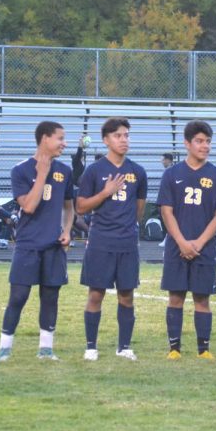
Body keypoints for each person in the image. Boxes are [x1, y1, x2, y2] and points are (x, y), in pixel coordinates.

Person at [0, 121, 74, 362]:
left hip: (53, 246)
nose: (64, 143)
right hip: (28, 245)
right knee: (18, 297)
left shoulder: (65, 171)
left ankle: (46, 349)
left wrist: (68, 230)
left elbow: (69, 207)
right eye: (60, 138)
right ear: (44, 139)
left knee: (50, 298)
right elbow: (29, 206)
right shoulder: (20, 170)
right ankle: (5, 348)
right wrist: (42, 173)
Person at [157, 120, 216, 360]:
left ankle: (204, 350)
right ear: (187, 143)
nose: (205, 146)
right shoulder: (172, 174)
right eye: (199, 141)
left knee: (202, 297)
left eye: (208, 141)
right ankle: (174, 349)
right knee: (176, 296)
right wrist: (180, 241)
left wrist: (199, 243)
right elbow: (166, 211)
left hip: (204, 248)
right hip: (176, 247)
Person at [77, 117, 148, 361]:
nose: (124, 140)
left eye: (126, 135)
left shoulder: (137, 172)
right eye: (118, 135)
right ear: (106, 140)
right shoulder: (94, 171)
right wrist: (105, 193)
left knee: (126, 296)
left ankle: (125, 346)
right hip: (100, 241)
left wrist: (127, 227)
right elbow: (81, 207)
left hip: (127, 242)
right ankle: (91, 346)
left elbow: (139, 209)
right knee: (96, 294)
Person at [157, 152, 175, 247]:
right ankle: (167, 237)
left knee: (167, 218)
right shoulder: (168, 171)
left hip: (170, 201)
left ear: (168, 160)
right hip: (166, 199)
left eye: (163, 160)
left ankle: (169, 238)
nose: (162, 162)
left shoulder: (172, 171)